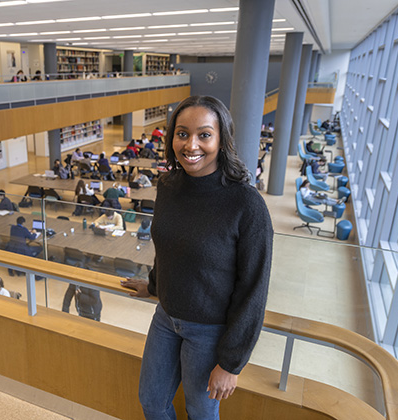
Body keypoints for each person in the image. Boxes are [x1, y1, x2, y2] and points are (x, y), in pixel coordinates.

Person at [121, 95, 273, 419]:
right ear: (172, 138)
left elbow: (254, 288)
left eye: (204, 134)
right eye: (182, 133)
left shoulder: (246, 204)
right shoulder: (168, 186)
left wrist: (232, 362)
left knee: (201, 413)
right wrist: (153, 284)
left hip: (210, 329)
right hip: (166, 317)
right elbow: (167, 246)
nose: (191, 144)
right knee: (151, 402)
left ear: (222, 139)